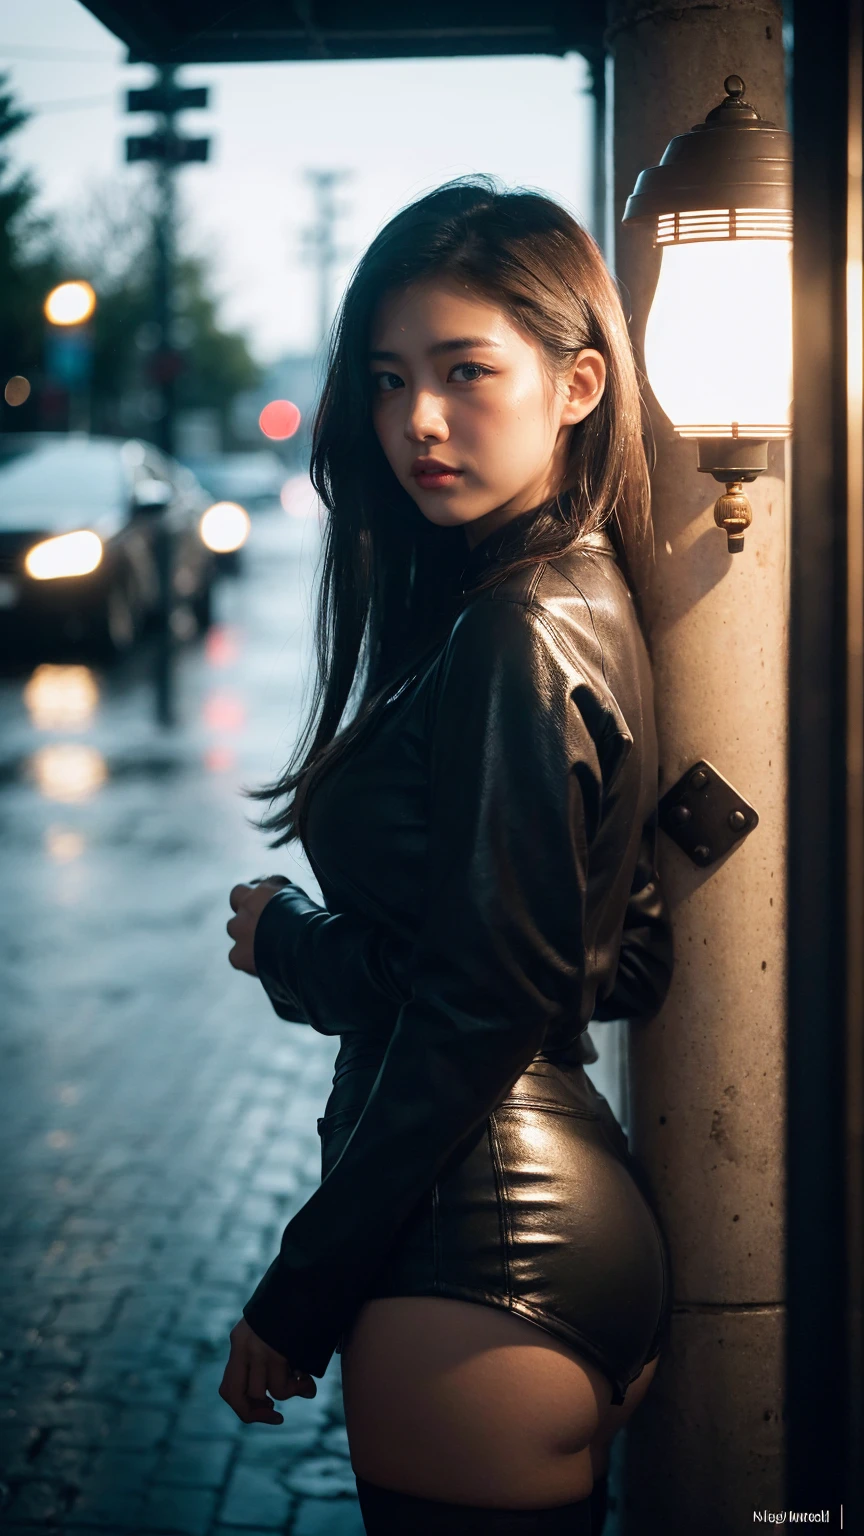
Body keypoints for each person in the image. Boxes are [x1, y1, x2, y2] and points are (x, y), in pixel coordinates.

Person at [220, 176, 674, 1535]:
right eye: (387, 379)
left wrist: (301, 1289)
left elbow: (485, 1003)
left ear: (579, 381)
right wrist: (319, 954)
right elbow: (599, 955)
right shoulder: (568, 596)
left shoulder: (517, 630)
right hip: (543, 1234)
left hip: (475, 1251)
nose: (418, 418)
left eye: (466, 371)